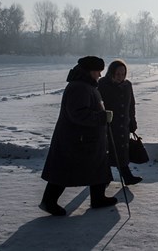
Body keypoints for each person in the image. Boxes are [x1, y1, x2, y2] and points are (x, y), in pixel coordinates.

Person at [39, 56, 117, 216]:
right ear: (89, 71)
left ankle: (98, 198)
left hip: (85, 137)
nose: (100, 75)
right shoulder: (79, 87)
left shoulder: (85, 85)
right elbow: (78, 114)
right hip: (77, 138)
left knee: (97, 166)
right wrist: (102, 117)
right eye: (97, 72)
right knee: (65, 170)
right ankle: (49, 201)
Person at [98, 59, 143, 185]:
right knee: (107, 152)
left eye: (123, 74)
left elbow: (131, 106)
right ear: (111, 72)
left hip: (123, 125)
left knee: (121, 151)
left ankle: (126, 177)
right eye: (118, 74)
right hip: (107, 125)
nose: (121, 77)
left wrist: (132, 122)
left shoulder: (127, 85)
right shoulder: (102, 85)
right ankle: (105, 177)